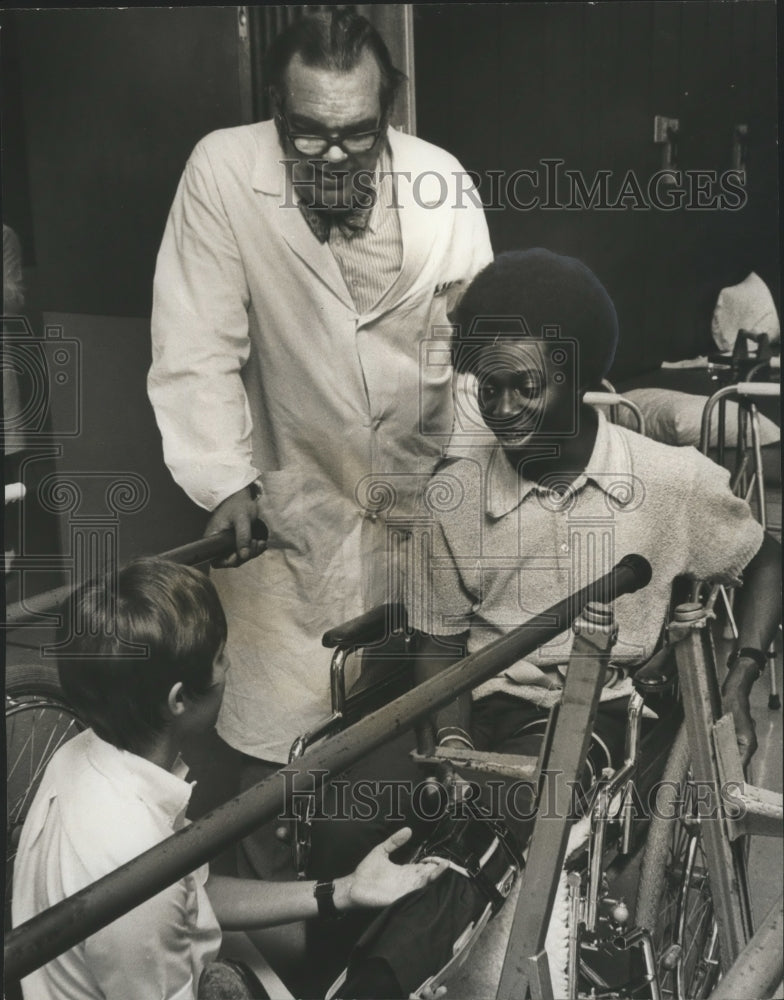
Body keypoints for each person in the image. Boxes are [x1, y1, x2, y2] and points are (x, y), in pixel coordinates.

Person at [147, 9, 493, 781]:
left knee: (416, 743)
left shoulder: (444, 184)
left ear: (388, 112)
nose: (334, 154)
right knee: (286, 756)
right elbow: (195, 342)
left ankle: (397, 888)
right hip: (292, 509)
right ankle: (304, 896)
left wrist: (473, 482)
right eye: (308, 133)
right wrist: (223, 479)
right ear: (277, 110)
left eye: (358, 133)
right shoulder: (225, 173)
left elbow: (478, 355)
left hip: (419, 509)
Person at [406, 248, 781, 777]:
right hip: (483, 707)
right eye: (489, 388)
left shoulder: (670, 479)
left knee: (513, 800)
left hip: (610, 711)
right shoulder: (455, 497)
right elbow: (439, 643)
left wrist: (741, 678)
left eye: (526, 387)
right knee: (344, 823)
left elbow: (766, 558)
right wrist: (453, 743)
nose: (503, 409)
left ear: (578, 376)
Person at [11, 559, 447, 1000]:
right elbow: (165, 908)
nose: (228, 665)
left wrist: (345, 891)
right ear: (179, 699)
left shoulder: (83, 753)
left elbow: (194, 891)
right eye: (219, 657)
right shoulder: (133, 861)